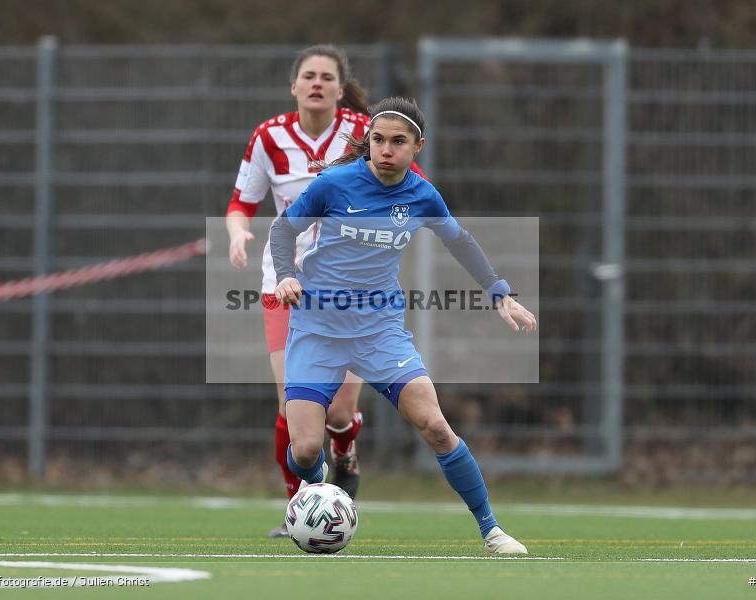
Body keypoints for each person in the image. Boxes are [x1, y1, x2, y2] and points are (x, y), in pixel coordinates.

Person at [269, 97, 537, 554]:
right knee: (307, 449)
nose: (386, 149)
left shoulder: (421, 194)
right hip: (317, 327)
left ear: (418, 147)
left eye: (398, 141)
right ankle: (320, 498)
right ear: (368, 143)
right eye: (378, 140)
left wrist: (500, 292)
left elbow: (461, 242)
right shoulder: (333, 184)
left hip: (379, 330)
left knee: (435, 426)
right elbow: (283, 229)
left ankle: (491, 530)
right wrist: (286, 275)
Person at [227, 44, 389, 538]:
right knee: (293, 409)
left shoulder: (364, 135)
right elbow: (241, 203)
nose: (316, 83)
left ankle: (345, 448)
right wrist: (238, 233)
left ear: (341, 89)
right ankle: (298, 504)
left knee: (338, 412)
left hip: (350, 289)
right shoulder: (269, 136)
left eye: (327, 77)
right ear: (294, 86)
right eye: (308, 75)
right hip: (286, 286)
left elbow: (395, 191)